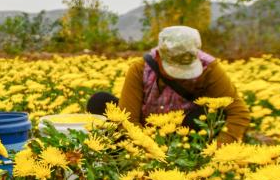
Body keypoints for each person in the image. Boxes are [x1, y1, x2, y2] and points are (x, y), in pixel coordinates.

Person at [87, 26, 250, 143]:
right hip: (144, 131)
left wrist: (219, 152)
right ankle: (113, 153)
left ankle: (192, 155)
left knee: (212, 113)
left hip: (185, 136)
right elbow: (128, 120)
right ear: (158, 56)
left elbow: (238, 112)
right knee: (100, 101)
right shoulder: (140, 69)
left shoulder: (209, 68)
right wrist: (148, 151)